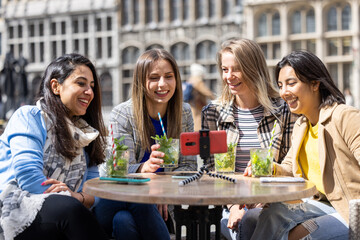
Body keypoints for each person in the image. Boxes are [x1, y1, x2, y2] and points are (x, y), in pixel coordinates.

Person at [243, 50, 354, 239]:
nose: (284, 92)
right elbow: (289, 168)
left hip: (348, 208)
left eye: (291, 83)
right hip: (318, 203)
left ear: (315, 84)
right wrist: (270, 168)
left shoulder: (344, 116)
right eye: (280, 85)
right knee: (251, 219)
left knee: (301, 235)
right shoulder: (301, 125)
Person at [0, 53, 108, 240]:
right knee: (71, 210)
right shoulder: (29, 116)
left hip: (62, 210)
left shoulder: (85, 133)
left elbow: (94, 186)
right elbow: (28, 176)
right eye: (81, 83)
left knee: (119, 211)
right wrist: (71, 197)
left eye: (92, 86)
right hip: (15, 209)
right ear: (56, 86)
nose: (90, 92)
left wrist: (78, 197)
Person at [93, 49, 197, 239]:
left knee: (123, 222)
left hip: (159, 206)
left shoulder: (184, 113)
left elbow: (189, 166)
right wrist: (145, 168)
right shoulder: (123, 114)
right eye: (154, 78)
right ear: (141, 81)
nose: (162, 84)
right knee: (141, 197)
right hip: (117, 198)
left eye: (169, 76)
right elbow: (118, 171)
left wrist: (162, 191)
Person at [201, 38, 298, 240]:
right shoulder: (213, 113)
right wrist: (235, 206)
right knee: (247, 221)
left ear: (254, 68)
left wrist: (261, 202)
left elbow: (289, 166)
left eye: (236, 69)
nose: (229, 76)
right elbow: (212, 170)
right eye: (224, 69)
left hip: (274, 202)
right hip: (231, 203)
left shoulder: (284, 110)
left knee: (253, 220)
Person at [183, 63, 215, 131]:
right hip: (198, 105)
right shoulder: (197, 80)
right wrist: (214, 98)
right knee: (198, 121)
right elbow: (206, 92)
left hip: (191, 104)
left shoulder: (190, 79)